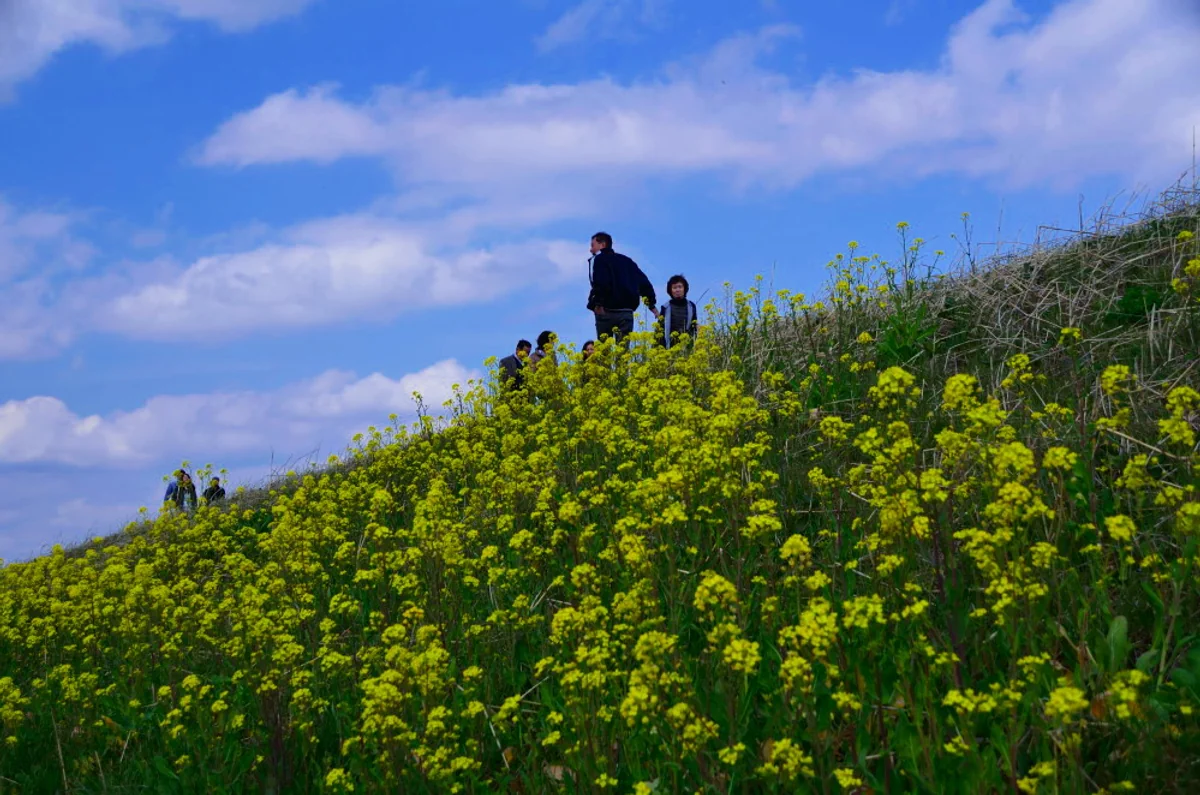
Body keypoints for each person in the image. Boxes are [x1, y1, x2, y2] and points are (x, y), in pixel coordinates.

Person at [586, 232, 657, 343]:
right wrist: (652, 305)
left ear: (602, 245)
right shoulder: (627, 261)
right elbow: (644, 282)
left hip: (606, 311)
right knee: (623, 353)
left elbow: (600, 283)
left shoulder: (598, 259)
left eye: (592, 245)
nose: (591, 250)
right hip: (626, 313)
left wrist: (597, 304)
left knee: (604, 354)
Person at [657, 274, 699, 349]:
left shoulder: (691, 306)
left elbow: (694, 326)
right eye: (674, 287)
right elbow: (659, 329)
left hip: (686, 345)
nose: (677, 290)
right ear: (670, 291)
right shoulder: (665, 307)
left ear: (684, 289)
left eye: (680, 287)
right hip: (669, 347)